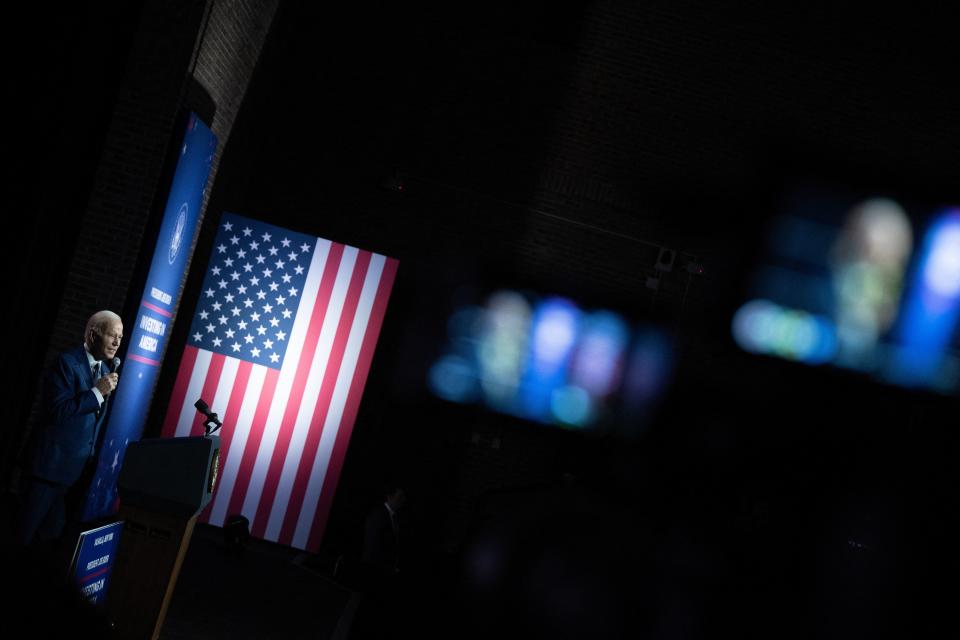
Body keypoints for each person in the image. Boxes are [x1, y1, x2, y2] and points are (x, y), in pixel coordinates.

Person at [14, 310, 123, 548]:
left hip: (73, 473)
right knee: (21, 536)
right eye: (112, 336)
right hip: (47, 471)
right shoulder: (66, 363)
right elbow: (58, 411)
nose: (116, 343)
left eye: (120, 338)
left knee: (50, 541)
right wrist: (96, 393)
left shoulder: (104, 372)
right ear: (93, 335)